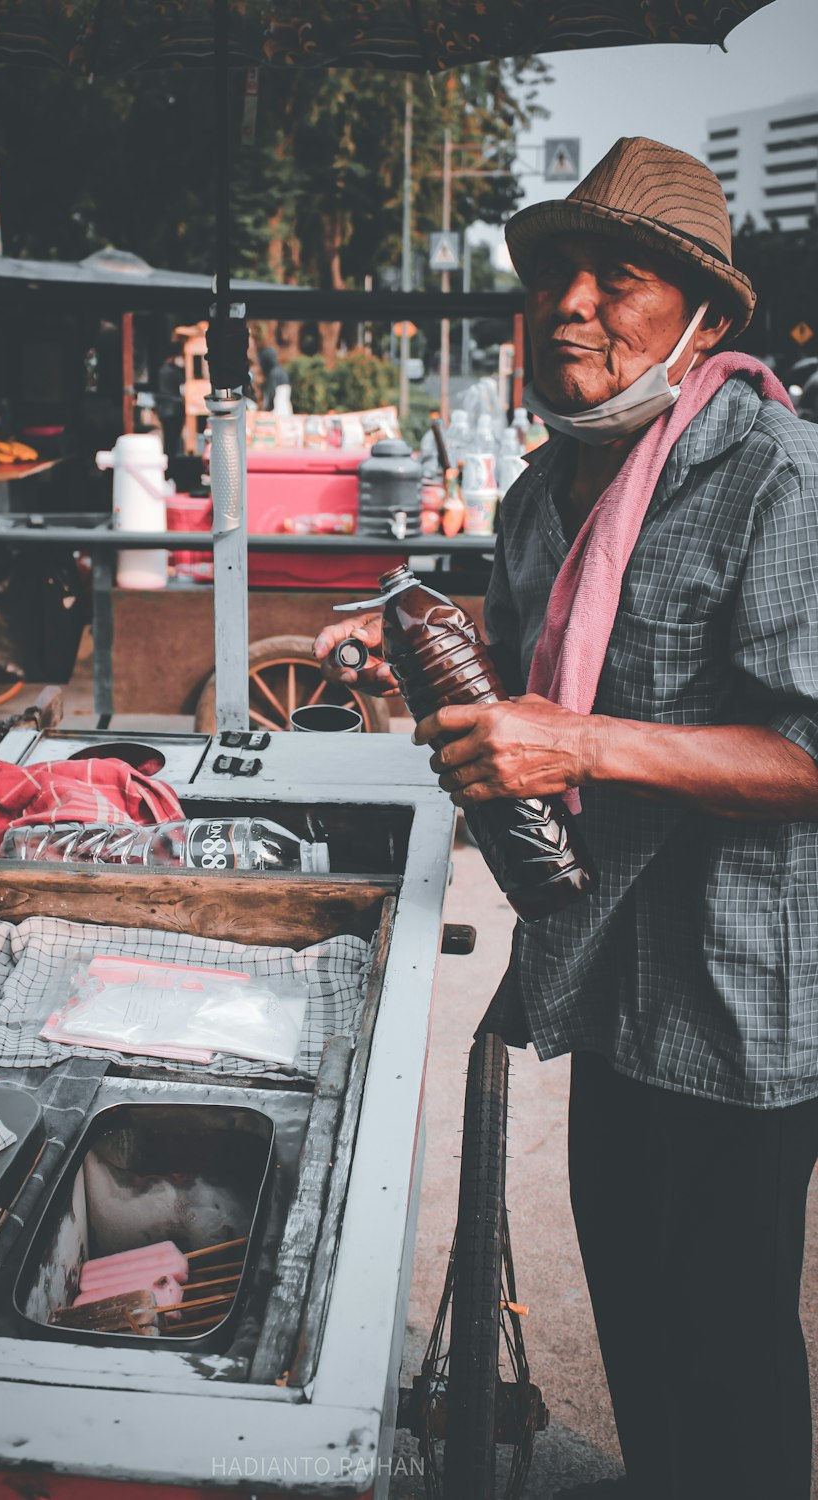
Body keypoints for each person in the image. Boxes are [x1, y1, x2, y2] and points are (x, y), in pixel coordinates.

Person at [314, 137, 818, 1500]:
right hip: (601, 980)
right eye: (554, 277)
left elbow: (806, 748)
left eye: (622, 277)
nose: (573, 304)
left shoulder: (775, 473)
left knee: (734, 1370)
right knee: (648, 1345)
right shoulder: (547, 491)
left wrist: (578, 741)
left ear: (706, 313)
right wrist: (403, 651)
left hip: (732, 1006)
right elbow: (526, 676)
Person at [257, 344, 291, 411]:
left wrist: (264, 410)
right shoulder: (283, 371)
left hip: (277, 412)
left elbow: (271, 396)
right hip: (286, 410)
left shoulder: (273, 374)